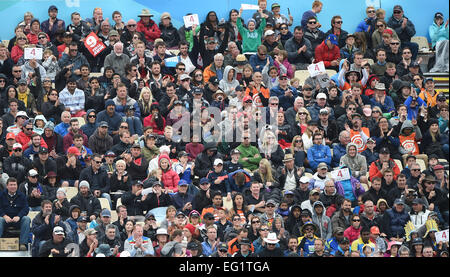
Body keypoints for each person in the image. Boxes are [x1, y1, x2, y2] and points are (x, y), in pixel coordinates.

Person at [0, 177, 31, 251]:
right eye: (11, 185)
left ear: (17, 186)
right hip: (5, 220)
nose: (13, 186)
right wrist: (4, 215)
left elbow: (26, 208)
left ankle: (23, 244)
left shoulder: (22, 196)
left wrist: (19, 216)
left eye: (14, 185)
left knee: (26, 219)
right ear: (7, 186)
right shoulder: (1, 195)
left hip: (17, 220)